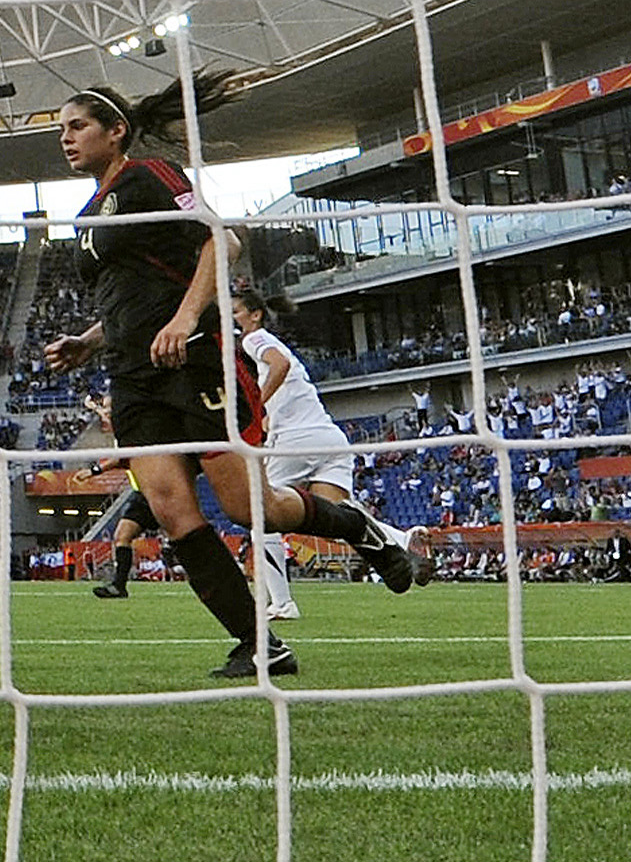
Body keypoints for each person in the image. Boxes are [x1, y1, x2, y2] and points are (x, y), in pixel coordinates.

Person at [45, 71, 423, 680]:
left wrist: (186, 316)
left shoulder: (149, 176)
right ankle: (260, 643)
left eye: (77, 126)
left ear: (116, 131)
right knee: (171, 511)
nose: (66, 138)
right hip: (133, 379)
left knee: (251, 509)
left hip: (197, 357)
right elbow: (131, 294)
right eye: (61, 129)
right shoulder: (89, 216)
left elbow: (222, 241)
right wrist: (88, 342)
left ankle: (361, 530)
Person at [234, 289, 429, 609]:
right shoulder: (271, 350)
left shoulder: (254, 339)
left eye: (236, 312)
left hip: (297, 440)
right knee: (335, 515)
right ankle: (403, 539)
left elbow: (279, 364)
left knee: (262, 515)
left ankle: (281, 603)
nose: (232, 318)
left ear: (255, 315)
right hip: (329, 437)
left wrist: (256, 407)